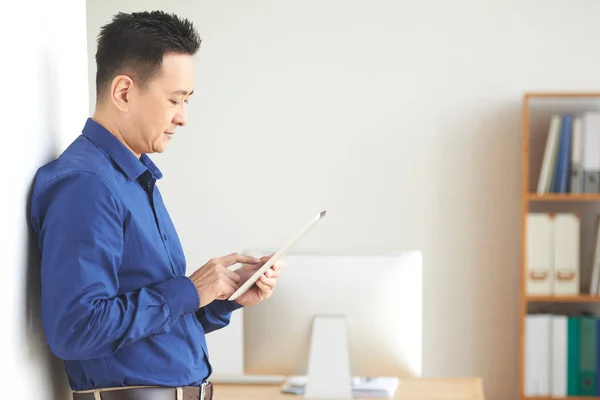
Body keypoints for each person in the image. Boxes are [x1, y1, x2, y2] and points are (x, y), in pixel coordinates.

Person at [28, 10, 282, 400]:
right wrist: (188, 291)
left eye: (187, 101)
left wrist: (218, 301)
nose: (183, 118)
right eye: (174, 100)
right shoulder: (86, 185)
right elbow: (77, 329)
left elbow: (146, 331)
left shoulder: (133, 177)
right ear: (124, 92)